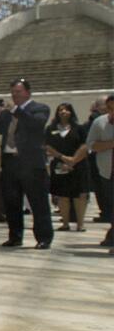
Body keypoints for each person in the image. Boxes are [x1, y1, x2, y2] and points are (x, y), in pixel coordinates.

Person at [0, 78, 52, 249]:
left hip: (31, 163)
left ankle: (44, 237)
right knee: (12, 202)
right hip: (10, 161)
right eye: (13, 92)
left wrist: (16, 110)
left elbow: (36, 125)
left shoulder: (39, 108)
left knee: (37, 202)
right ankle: (15, 236)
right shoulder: (8, 112)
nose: (14, 95)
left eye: (18, 92)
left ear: (27, 92)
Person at [46, 103, 88, 231]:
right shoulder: (51, 129)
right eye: (60, 110)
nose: (63, 112)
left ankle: (80, 224)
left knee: (79, 195)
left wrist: (73, 160)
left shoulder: (79, 128)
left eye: (66, 110)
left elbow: (85, 145)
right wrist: (62, 158)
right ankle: (65, 223)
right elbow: (47, 146)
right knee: (62, 194)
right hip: (59, 164)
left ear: (71, 112)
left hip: (78, 164)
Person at [83, 95, 114, 248]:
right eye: (110, 108)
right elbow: (91, 145)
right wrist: (110, 144)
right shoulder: (99, 122)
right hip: (108, 171)